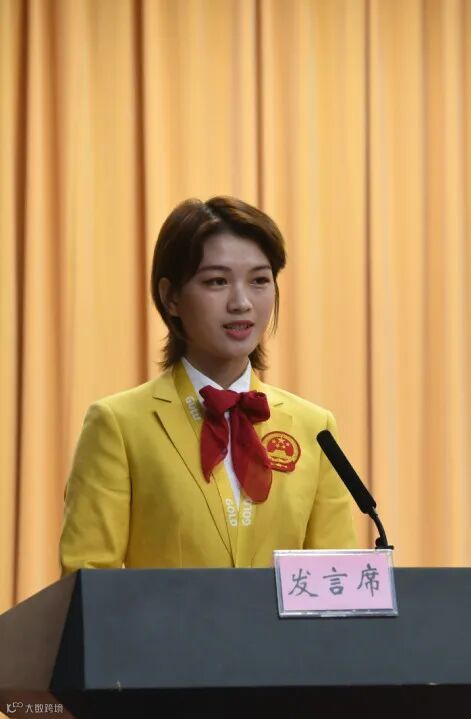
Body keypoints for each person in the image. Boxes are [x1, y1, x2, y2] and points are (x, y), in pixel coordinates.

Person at [59, 196, 356, 575]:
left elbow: (337, 578)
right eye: (217, 281)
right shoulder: (118, 424)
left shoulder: (315, 428)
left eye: (260, 280)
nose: (242, 303)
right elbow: (88, 579)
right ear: (171, 297)